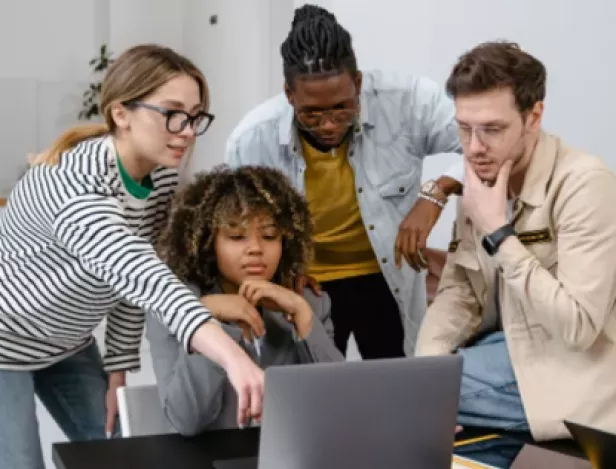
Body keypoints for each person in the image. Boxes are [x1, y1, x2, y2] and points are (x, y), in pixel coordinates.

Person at [0, 44, 263, 469]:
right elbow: (146, 277)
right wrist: (233, 357)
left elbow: (125, 287)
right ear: (121, 113)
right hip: (5, 340)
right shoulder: (75, 188)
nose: (188, 130)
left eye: (196, 116)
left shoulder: (157, 177)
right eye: (173, 113)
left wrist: (118, 369)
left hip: (68, 344)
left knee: (122, 449)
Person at [225, 4, 464, 359]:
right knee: (314, 393)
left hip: (387, 277)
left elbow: (485, 145)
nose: (328, 124)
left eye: (341, 107)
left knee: (397, 388)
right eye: (311, 113)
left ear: (358, 83)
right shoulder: (251, 140)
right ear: (289, 95)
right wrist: (280, 268)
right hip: (308, 284)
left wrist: (436, 193)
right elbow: (237, 226)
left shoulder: (410, 101)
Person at [415, 41, 616, 441]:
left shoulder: (585, 184)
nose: (473, 148)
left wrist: (498, 233)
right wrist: (424, 374)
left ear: (533, 116)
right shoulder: (482, 176)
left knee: (393, 402)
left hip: (577, 369)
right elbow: (460, 292)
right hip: (509, 349)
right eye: (464, 128)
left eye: (492, 129)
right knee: (409, 393)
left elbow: (579, 328)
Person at [149, 165, 344, 435]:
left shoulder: (308, 300)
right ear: (207, 242)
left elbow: (341, 407)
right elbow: (187, 420)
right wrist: (213, 321)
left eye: (269, 236)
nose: (255, 248)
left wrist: (303, 315)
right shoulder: (175, 305)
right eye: (237, 237)